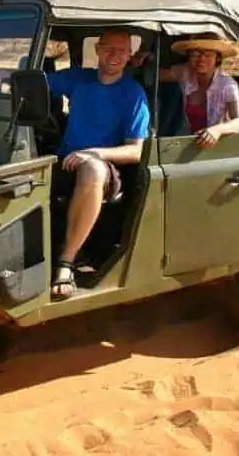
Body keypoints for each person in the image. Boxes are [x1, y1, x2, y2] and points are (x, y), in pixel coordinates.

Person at [44, 29, 149, 300]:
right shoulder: (80, 79)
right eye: (109, 49)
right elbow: (39, 83)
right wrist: (3, 76)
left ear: (130, 56)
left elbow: (137, 150)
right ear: (98, 50)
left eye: (122, 51)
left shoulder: (132, 93)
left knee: (92, 169)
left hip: (108, 167)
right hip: (65, 158)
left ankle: (66, 262)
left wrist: (94, 153)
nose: (115, 56)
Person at [131, 33, 239, 148]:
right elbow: (154, 75)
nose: (201, 59)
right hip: (185, 143)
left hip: (215, 147)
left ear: (218, 57)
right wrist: (146, 57)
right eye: (195, 54)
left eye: (208, 54)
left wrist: (216, 130)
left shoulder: (228, 85)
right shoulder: (185, 72)